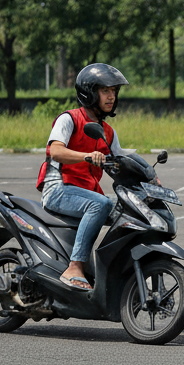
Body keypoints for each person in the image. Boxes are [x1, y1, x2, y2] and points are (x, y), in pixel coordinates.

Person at [39, 63, 129, 290]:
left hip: (85, 193)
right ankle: (75, 267)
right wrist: (86, 156)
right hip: (58, 188)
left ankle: (118, 272)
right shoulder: (69, 119)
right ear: (89, 93)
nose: (111, 96)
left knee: (130, 211)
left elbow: (121, 163)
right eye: (105, 91)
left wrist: (149, 178)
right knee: (101, 204)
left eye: (114, 91)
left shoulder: (108, 131)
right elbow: (55, 151)